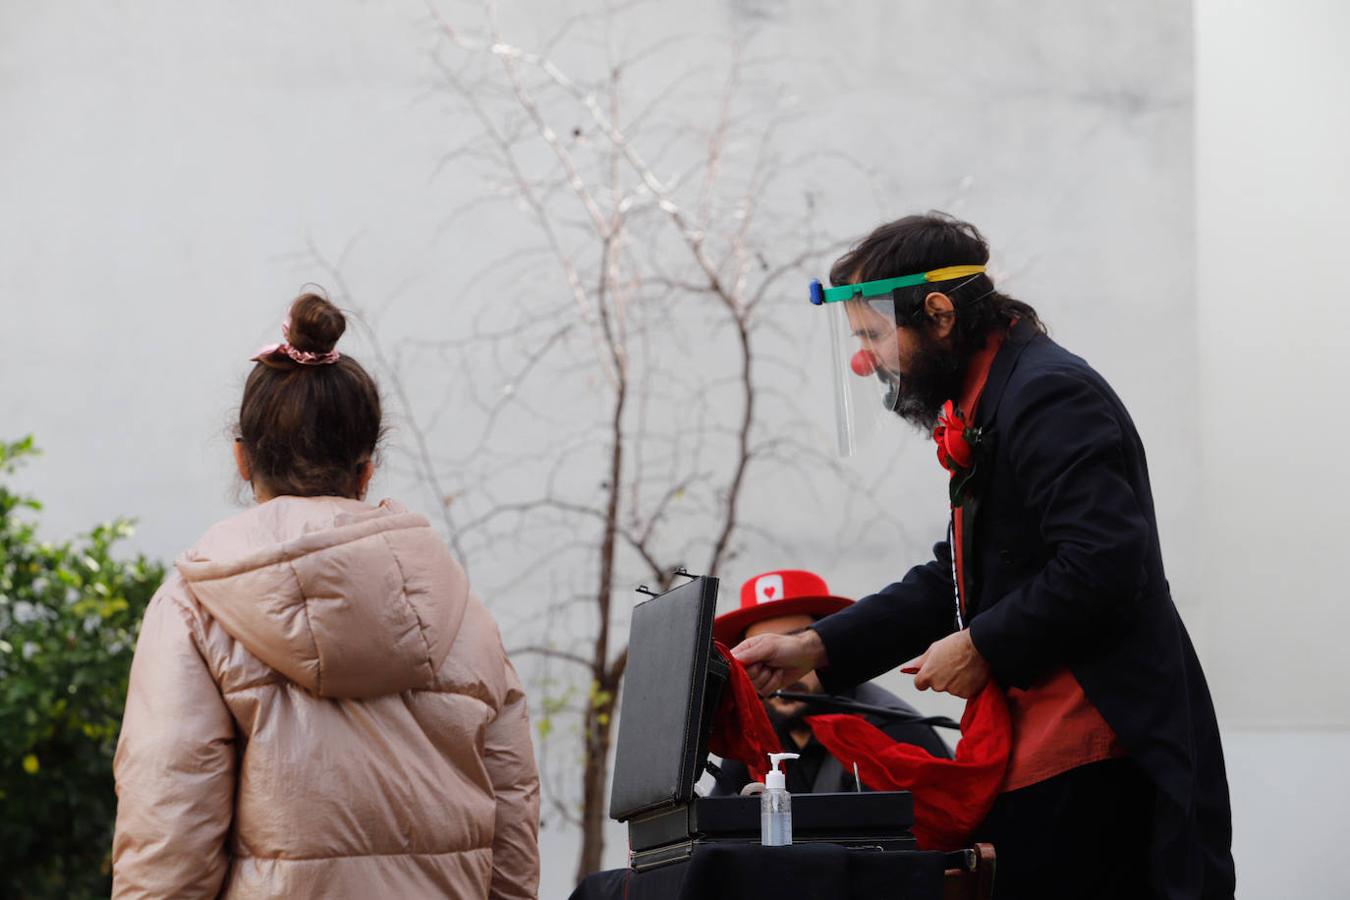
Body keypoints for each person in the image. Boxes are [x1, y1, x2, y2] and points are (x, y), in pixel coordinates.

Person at [733, 214, 1235, 899]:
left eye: (876, 334)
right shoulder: (992, 400)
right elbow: (955, 577)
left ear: (938, 314)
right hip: (1039, 747)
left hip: (1093, 745)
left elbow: (1104, 561)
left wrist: (981, 646)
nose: (868, 359)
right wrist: (813, 648)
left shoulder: (1047, 392)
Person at [111, 294, 540, 899]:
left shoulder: (197, 607)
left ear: (242, 459)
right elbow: (513, 840)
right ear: (367, 470)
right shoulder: (466, 619)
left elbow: (169, 838)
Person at [708, 569, 950, 797]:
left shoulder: (892, 733)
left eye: (788, 648)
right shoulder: (751, 741)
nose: (778, 668)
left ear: (825, 648)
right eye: (763, 656)